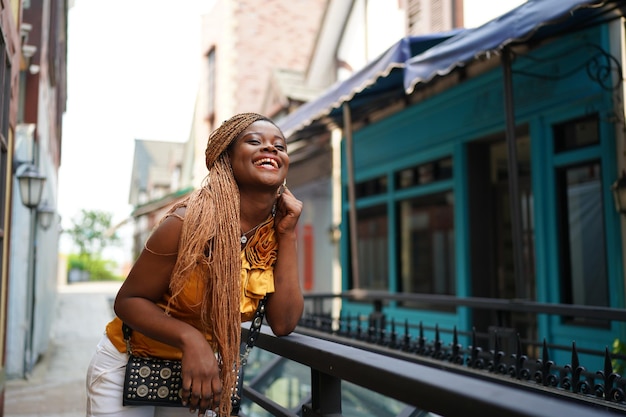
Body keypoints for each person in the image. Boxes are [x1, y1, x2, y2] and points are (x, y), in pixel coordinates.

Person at [86, 113, 304, 417]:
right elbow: (128, 302)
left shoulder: (275, 235)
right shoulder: (186, 224)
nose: (270, 149)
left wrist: (288, 233)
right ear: (226, 160)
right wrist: (191, 340)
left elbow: (283, 324)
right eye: (254, 141)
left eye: (279, 146)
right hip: (130, 366)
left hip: (198, 377)